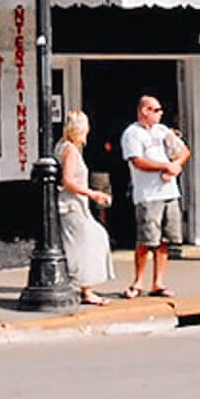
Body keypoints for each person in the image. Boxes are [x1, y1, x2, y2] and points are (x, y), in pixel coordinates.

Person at [120, 95, 189, 298]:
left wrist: (176, 165)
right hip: (148, 195)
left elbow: (184, 151)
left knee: (165, 240)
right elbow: (138, 161)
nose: (161, 113)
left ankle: (158, 282)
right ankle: (138, 281)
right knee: (147, 239)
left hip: (169, 192)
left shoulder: (163, 131)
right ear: (145, 111)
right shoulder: (132, 133)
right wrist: (164, 166)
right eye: (156, 110)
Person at [56, 110, 115, 305]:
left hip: (73, 205)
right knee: (87, 244)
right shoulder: (71, 151)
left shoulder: (61, 146)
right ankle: (85, 289)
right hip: (72, 205)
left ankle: (83, 286)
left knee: (90, 240)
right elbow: (68, 181)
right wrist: (93, 193)